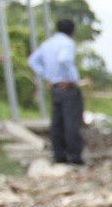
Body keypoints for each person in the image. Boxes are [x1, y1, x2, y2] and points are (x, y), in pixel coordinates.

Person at [27, 18, 85, 165]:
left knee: (57, 123)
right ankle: (74, 156)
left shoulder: (48, 43)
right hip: (68, 87)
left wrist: (49, 77)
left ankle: (59, 155)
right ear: (72, 32)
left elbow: (33, 61)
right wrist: (72, 79)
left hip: (55, 87)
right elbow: (64, 59)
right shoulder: (67, 43)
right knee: (71, 122)